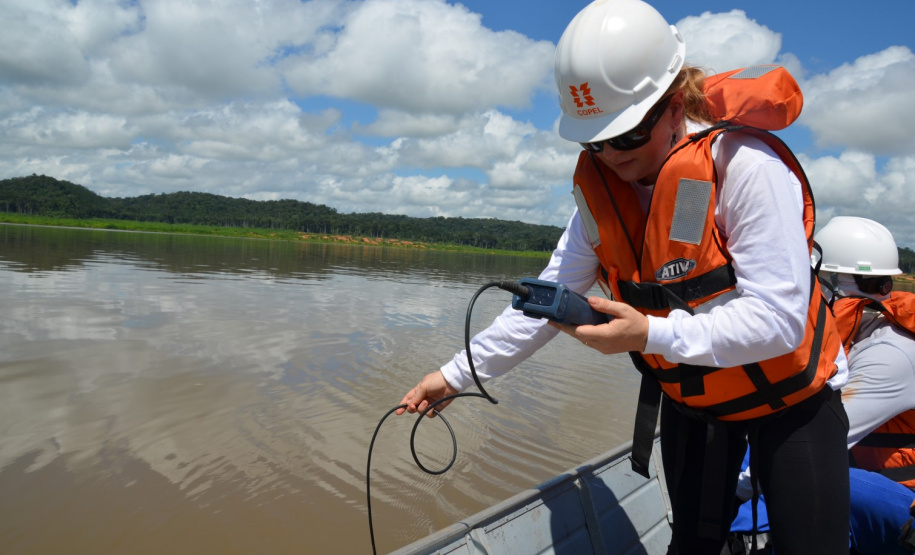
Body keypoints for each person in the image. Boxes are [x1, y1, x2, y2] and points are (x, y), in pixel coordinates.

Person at [397, 0, 850, 553]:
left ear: (674, 102)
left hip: (792, 403)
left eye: (628, 135)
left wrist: (650, 335)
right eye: (595, 141)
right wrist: (454, 375)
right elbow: (548, 301)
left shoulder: (745, 166)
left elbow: (779, 321)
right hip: (698, 404)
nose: (611, 155)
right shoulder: (601, 196)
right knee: (692, 545)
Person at [730, 216, 915, 554]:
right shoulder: (870, 331)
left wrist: (735, 494)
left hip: (905, 508)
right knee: (756, 445)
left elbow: (816, 443)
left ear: (832, 283)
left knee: (797, 478)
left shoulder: (890, 355)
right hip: (875, 478)